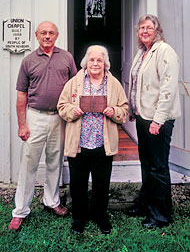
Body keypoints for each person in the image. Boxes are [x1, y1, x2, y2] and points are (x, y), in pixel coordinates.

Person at [8, 21, 77, 231]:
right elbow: (21, 94)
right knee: (28, 164)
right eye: (43, 33)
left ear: (57, 35)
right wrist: (22, 124)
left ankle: (52, 201)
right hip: (35, 117)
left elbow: (75, 86)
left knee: (55, 161)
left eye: (51, 33)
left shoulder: (66, 58)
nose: (47, 36)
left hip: (59, 118)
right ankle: (20, 211)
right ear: (37, 36)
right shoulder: (28, 61)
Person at [57, 45, 128, 234]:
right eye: (92, 60)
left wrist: (115, 112)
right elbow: (62, 106)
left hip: (102, 144)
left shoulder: (114, 84)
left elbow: (124, 110)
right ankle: (79, 218)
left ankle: (100, 216)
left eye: (99, 60)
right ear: (85, 63)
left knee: (101, 184)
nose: (95, 63)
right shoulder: (74, 83)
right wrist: (73, 110)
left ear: (105, 63)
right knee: (78, 183)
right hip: (79, 143)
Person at [127, 14, 181, 228]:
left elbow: (167, 89)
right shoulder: (142, 52)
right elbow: (137, 83)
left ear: (157, 30)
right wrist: (133, 109)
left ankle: (160, 215)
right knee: (146, 163)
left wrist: (158, 121)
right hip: (143, 117)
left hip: (158, 120)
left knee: (158, 166)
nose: (145, 31)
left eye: (149, 27)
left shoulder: (164, 51)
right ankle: (145, 204)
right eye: (141, 28)